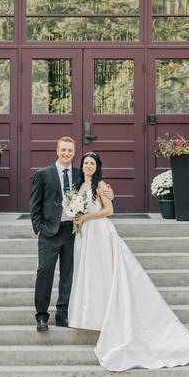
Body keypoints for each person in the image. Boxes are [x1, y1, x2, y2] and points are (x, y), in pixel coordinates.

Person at [68, 151, 189, 371]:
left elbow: (109, 210)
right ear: (81, 166)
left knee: (106, 272)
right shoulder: (79, 186)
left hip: (101, 233)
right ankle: (95, 313)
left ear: (97, 166)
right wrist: (77, 216)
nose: (88, 166)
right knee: (92, 274)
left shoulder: (101, 185)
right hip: (85, 234)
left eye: (92, 163)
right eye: (86, 163)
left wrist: (85, 217)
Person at [29, 137, 113, 332]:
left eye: (70, 151)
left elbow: (96, 186)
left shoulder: (79, 173)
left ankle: (62, 313)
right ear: (57, 151)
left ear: (74, 153)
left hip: (72, 232)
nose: (66, 153)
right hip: (49, 232)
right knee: (45, 272)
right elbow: (34, 204)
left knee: (69, 275)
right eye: (63, 150)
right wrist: (38, 227)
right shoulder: (43, 174)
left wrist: (110, 193)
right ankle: (41, 316)